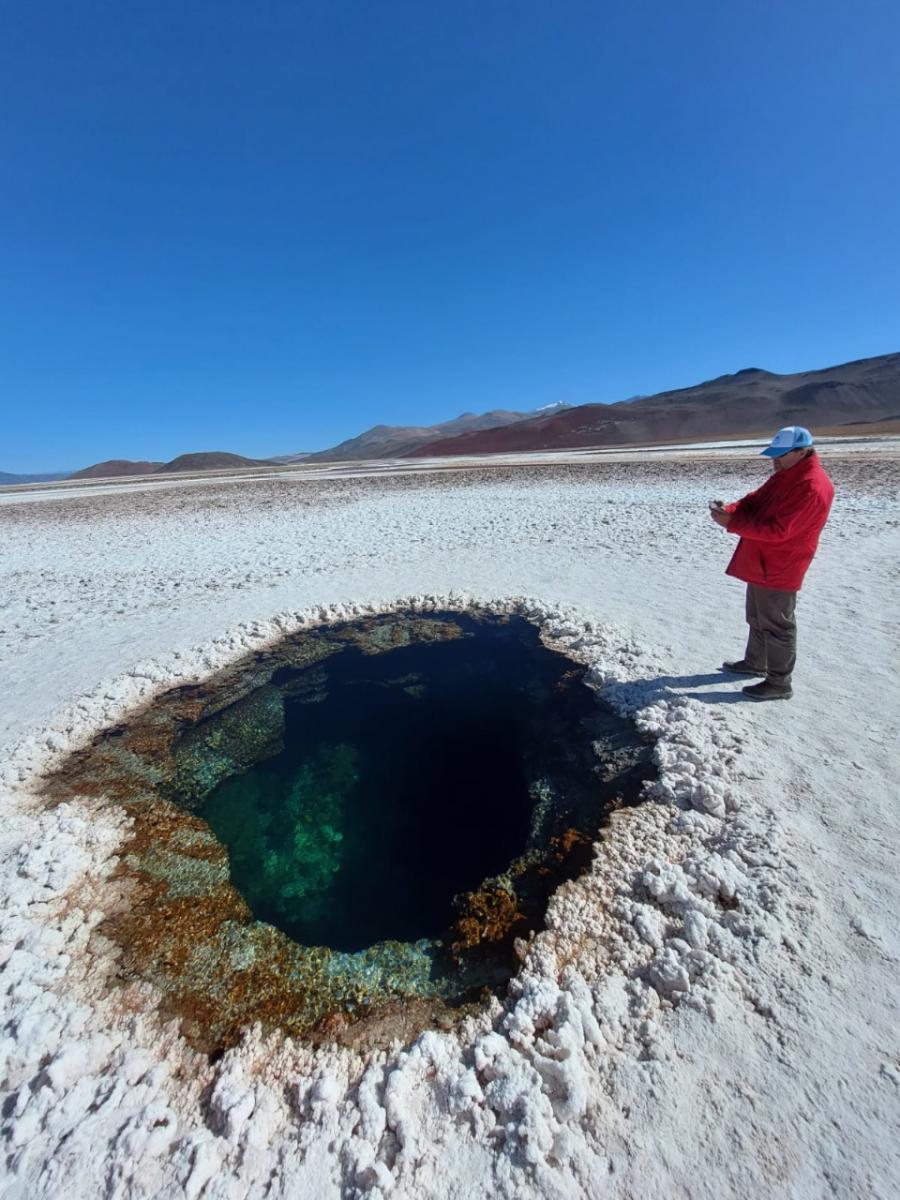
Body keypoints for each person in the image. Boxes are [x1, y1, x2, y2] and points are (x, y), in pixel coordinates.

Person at [709, 426, 834, 701]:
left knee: (777, 624)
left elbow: (779, 531)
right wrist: (731, 509)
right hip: (763, 561)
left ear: (802, 452)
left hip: (781, 565)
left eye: (780, 454)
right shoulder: (786, 476)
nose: (774, 460)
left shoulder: (810, 486)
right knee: (757, 616)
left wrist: (733, 523)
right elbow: (756, 500)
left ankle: (779, 683)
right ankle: (756, 662)